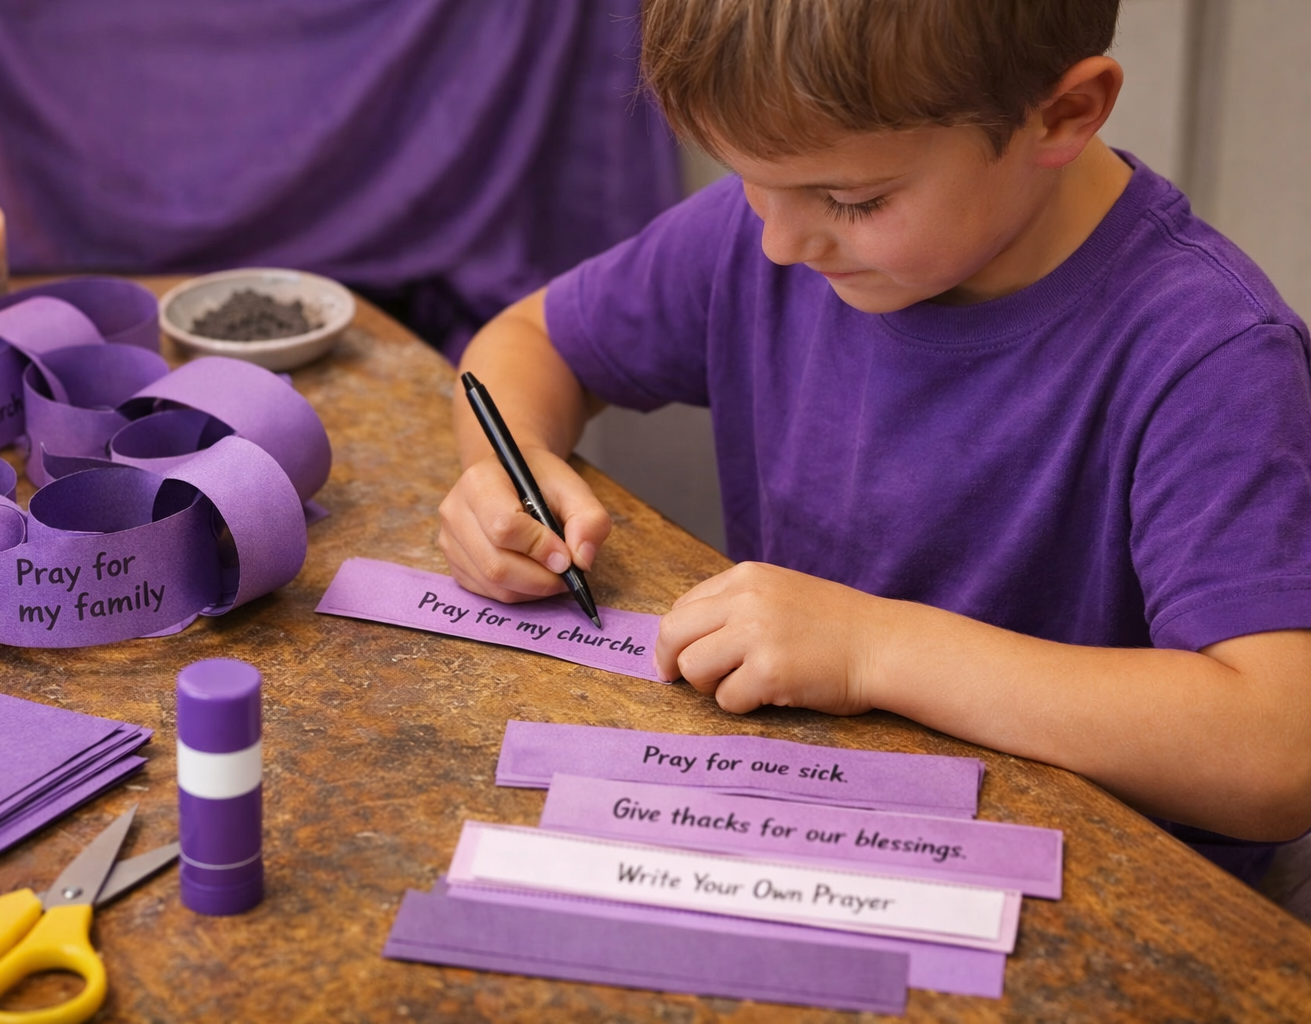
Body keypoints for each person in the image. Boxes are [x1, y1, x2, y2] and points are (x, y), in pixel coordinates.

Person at [437, 0, 1311, 871]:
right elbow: (530, 341)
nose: (779, 243)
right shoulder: (774, 233)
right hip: (810, 830)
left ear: (1064, 114)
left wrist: (874, 651)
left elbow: (1277, 753)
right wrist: (507, 473)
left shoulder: (1211, 354)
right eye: (745, 178)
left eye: (854, 199)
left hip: (1096, 895)